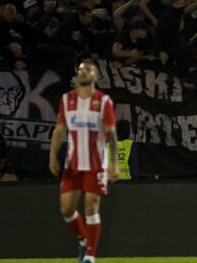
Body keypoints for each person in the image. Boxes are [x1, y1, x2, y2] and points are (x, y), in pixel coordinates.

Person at [49, 60, 119, 263]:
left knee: (91, 207)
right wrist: (53, 155)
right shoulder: (66, 99)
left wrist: (114, 163)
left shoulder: (103, 101)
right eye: (80, 70)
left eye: (88, 69)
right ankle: (82, 239)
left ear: (96, 76)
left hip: (96, 164)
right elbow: (59, 129)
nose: (83, 73)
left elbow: (111, 134)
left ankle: (89, 256)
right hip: (73, 164)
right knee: (66, 209)